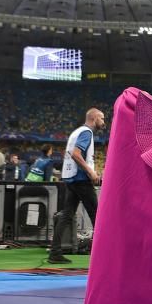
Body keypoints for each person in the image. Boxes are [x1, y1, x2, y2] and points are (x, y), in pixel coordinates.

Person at [47, 109, 106, 264]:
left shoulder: (77, 132)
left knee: (66, 215)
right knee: (97, 217)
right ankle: (103, 257)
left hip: (71, 179)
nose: (104, 122)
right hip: (81, 180)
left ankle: (54, 253)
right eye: (102, 118)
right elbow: (76, 154)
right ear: (94, 118)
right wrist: (91, 173)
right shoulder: (87, 133)